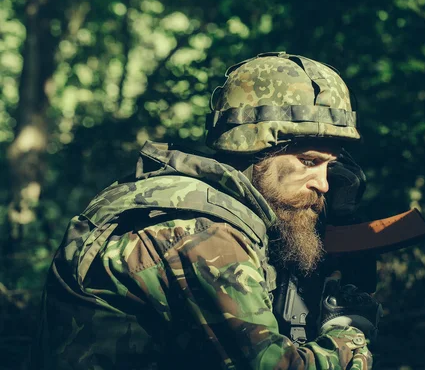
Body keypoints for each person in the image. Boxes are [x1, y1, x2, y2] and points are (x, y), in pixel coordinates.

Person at [32, 52, 381, 369]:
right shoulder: (201, 231)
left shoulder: (184, 198)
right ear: (255, 149)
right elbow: (275, 365)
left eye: (329, 167)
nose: (323, 184)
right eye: (308, 162)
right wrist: (350, 333)